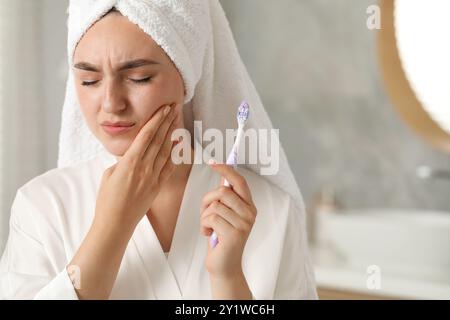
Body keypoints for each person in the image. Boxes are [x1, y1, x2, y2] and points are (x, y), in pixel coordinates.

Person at [0, 1, 317, 300]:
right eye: (89, 80)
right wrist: (112, 227)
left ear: (187, 77)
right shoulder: (42, 207)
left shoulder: (270, 211)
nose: (112, 103)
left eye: (139, 77)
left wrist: (228, 279)